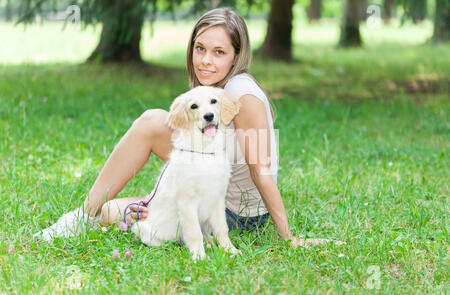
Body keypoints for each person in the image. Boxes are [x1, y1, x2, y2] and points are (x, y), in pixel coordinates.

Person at [34, 7, 342, 248]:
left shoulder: (242, 95)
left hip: (235, 214)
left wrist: (288, 238)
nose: (205, 60)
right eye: (200, 48)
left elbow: (262, 169)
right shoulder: (217, 90)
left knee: (152, 121)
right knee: (112, 211)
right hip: (207, 186)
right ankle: (101, 214)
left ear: (237, 55)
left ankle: (78, 217)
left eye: (219, 52)